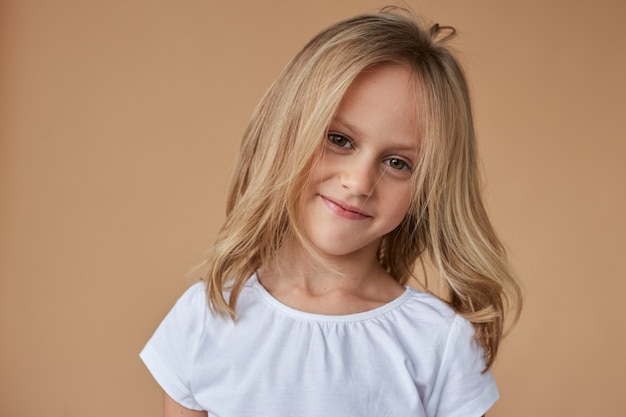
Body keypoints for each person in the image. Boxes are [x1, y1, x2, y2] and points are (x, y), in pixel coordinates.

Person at [141, 7, 523, 417]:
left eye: (398, 163)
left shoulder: (438, 341)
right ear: (285, 132)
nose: (359, 183)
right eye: (339, 139)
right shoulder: (206, 317)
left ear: (430, 188)